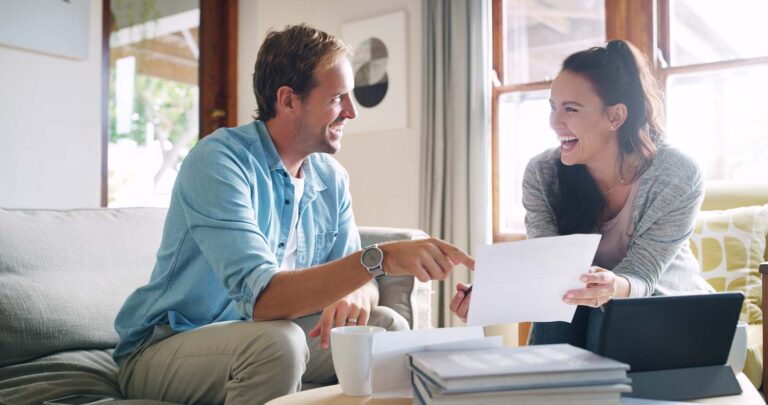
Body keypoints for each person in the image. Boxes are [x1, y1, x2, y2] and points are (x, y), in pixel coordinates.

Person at [114, 24, 474, 404]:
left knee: (386, 327)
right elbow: (266, 301)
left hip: (260, 336)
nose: (351, 112)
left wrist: (358, 293)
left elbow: (359, 283)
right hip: (167, 347)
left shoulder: (330, 178)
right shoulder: (219, 161)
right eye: (338, 98)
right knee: (278, 343)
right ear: (288, 100)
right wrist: (380, 258)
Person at [449, 39, 712, 349]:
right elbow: (546, 267)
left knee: (600, 305)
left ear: (616, 116)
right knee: (567, 305)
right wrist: (493, 295)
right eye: (552, 107)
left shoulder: (678, 174)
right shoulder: (542, 174)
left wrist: (612, 286)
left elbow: (642, 276)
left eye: (570, 109)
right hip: (584, 312)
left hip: (668, 308)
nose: (553, 123)